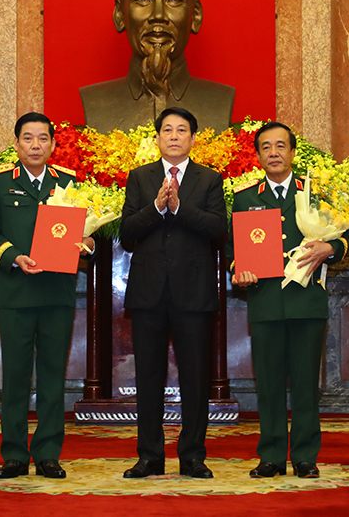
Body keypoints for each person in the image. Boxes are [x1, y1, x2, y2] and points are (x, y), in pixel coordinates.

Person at [230, 122, 349, 479]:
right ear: (257, 155)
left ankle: (304, 456)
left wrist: (330, 248)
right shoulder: (245, 198)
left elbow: (346, 236)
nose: (274, 153)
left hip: (306, 301)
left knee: (304, 384)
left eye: (280, 146)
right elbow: (233, 251)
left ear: (293, 152)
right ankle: (270, 456)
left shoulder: (315, 193)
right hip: (266, 302)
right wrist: (240, 270)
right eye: (266, 147)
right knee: (267, 384)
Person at [0, 112, 93, 480]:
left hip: (56, 294)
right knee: (16, 378)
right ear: (17, 144)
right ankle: (13, 455)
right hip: (17, 293)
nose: (36, 145)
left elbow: (82, 233)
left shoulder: (69, 184)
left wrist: (86, 244)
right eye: (28, 138)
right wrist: (13, 256)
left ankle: (48, 454)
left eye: (43, 139)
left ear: (54, 145)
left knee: (53, 377)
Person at [119, 106, 226, 479]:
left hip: (193, 294)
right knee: (148, 376)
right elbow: (127, 234)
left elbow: (218, 231)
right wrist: (155, 208)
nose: (175, 136)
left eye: (182, 130)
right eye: (168, 130)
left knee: (195, 378)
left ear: (193, 138)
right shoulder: (140, 177)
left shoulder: (209, 180)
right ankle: (149, 456)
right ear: (158, 137)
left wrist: (180, 209)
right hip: (149, 294)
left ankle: (193, 456)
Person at [80, 0, 235, 132]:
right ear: (120, 14)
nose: (158, 15)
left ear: (195, 15)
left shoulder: (220, 100)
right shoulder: (95, 101)